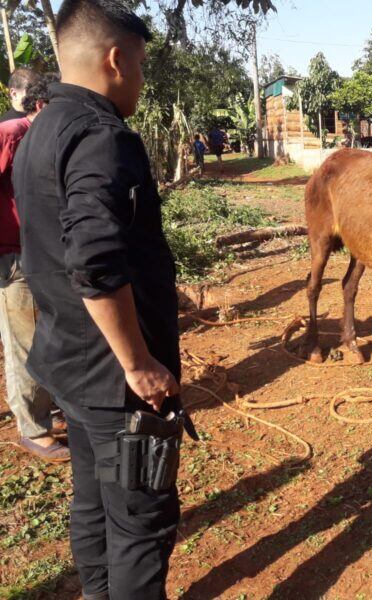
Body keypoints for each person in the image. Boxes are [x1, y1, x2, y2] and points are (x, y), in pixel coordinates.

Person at [13, 0, 195, 597]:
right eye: (140, 64)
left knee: (94, 497)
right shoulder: (101, 136)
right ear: (117, 60)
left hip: (69, 365)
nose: (140, 78)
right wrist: (139, 364)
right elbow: (93, 261)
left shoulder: (41, 127)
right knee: (141, 519)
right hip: (118, 388)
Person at [0, 73, 69, 462]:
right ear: (41, 106)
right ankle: (33, 428)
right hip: (12, 258)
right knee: (24, 343)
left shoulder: (44, 138)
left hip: (41, 253)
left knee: (48, 336)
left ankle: (51, 408)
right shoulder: (11, 133)